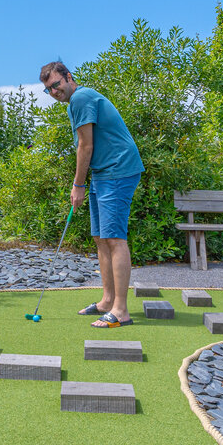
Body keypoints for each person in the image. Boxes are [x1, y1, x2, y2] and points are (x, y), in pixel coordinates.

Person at [39, 61, 144, 328]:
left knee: (114, 238)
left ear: (68, 77)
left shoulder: (81, 98)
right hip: (103, 172)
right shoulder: (76, 102)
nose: (54, 91)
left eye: (56, 84)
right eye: (48, 89)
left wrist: (78, 185)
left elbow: (85, 145)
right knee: (100, 237)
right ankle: (108, 300)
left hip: (118, 170)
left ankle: (121, 311)